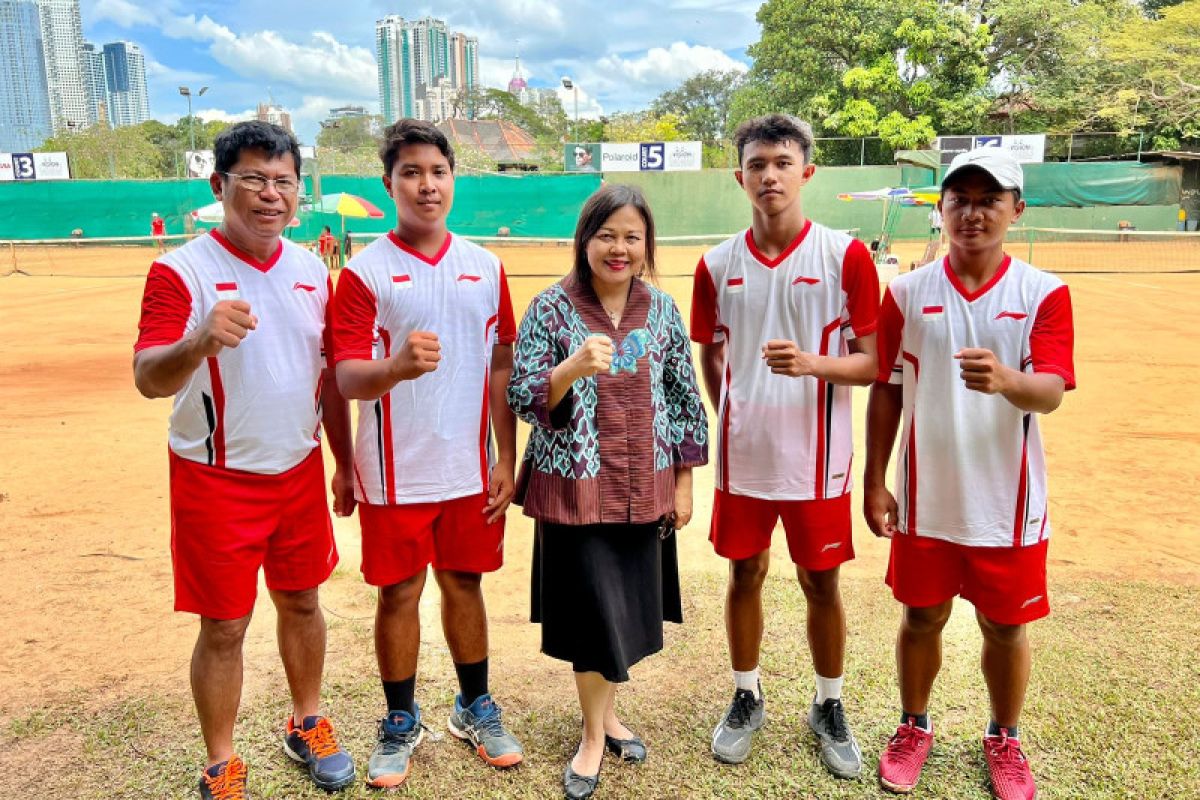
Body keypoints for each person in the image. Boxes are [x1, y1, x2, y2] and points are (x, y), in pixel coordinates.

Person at [132, 121, 357, 800]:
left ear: (298, 192)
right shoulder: (181, 270)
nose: (270, 194)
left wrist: (343, 464)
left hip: (296, 471)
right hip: (214, 478)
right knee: (225, 625)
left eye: (283, 181)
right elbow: (149, 376)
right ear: (219, 186)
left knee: (303, 601)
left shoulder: (313, 271)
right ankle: (221, 761)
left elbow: (329, 377)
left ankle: (306, 720)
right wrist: (198, 341)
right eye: (253, 179)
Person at [864, 147, 1075, 800]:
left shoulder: (1042, 293)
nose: (973, 212)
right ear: (941, 210)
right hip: (927, 502)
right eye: (960, 199)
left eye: (990, 199)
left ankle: (1004, 738)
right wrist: (876, 481)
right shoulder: (903, 293)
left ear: (1018, 209)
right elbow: (887, 390)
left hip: (1008, 504)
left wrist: (1009, 380)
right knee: (921, 618)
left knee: (1006, 627)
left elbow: (1051, 391)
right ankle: (913, 725)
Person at [331, 119, 524, 790]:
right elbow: (346, 376)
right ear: (390, 185)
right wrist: (394, 368)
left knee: (464, 583)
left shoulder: (486, 266)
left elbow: (502, 365)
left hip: (469, 469)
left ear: (453, 179)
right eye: (411, 172)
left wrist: (507, 455)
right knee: (399, 593)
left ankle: (474, 706)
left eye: (438, 171)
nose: (426, 184)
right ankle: (399, 719)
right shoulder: (363, 273)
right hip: (393, 471)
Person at [690, 114, 880, 777]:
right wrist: (733, 413)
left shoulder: (844, 256)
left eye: (781, 162)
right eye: (755, 164)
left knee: (820, 581)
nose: (768, 175)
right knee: (745, 573)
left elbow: (874, 363)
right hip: (745, 459)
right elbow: (712, 357)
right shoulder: (716, 264)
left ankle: (829, 704)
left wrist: (812, 366)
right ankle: (747, 693)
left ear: (807, 171)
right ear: (738, 176)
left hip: (818, 463)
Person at [508, 183, 708, 800]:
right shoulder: (550, 308)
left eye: (632, 237)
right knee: (593, 614)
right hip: (577, 490)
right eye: (606, 235)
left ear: (647, 245)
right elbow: (522, 394)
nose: (619, 248)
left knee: (624, 611)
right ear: (585, 240)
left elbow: (682, 396)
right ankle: (593, 735)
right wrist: (570, 368)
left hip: (644, 487)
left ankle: (608, 714)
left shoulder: (663, 310)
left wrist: (683, 479)